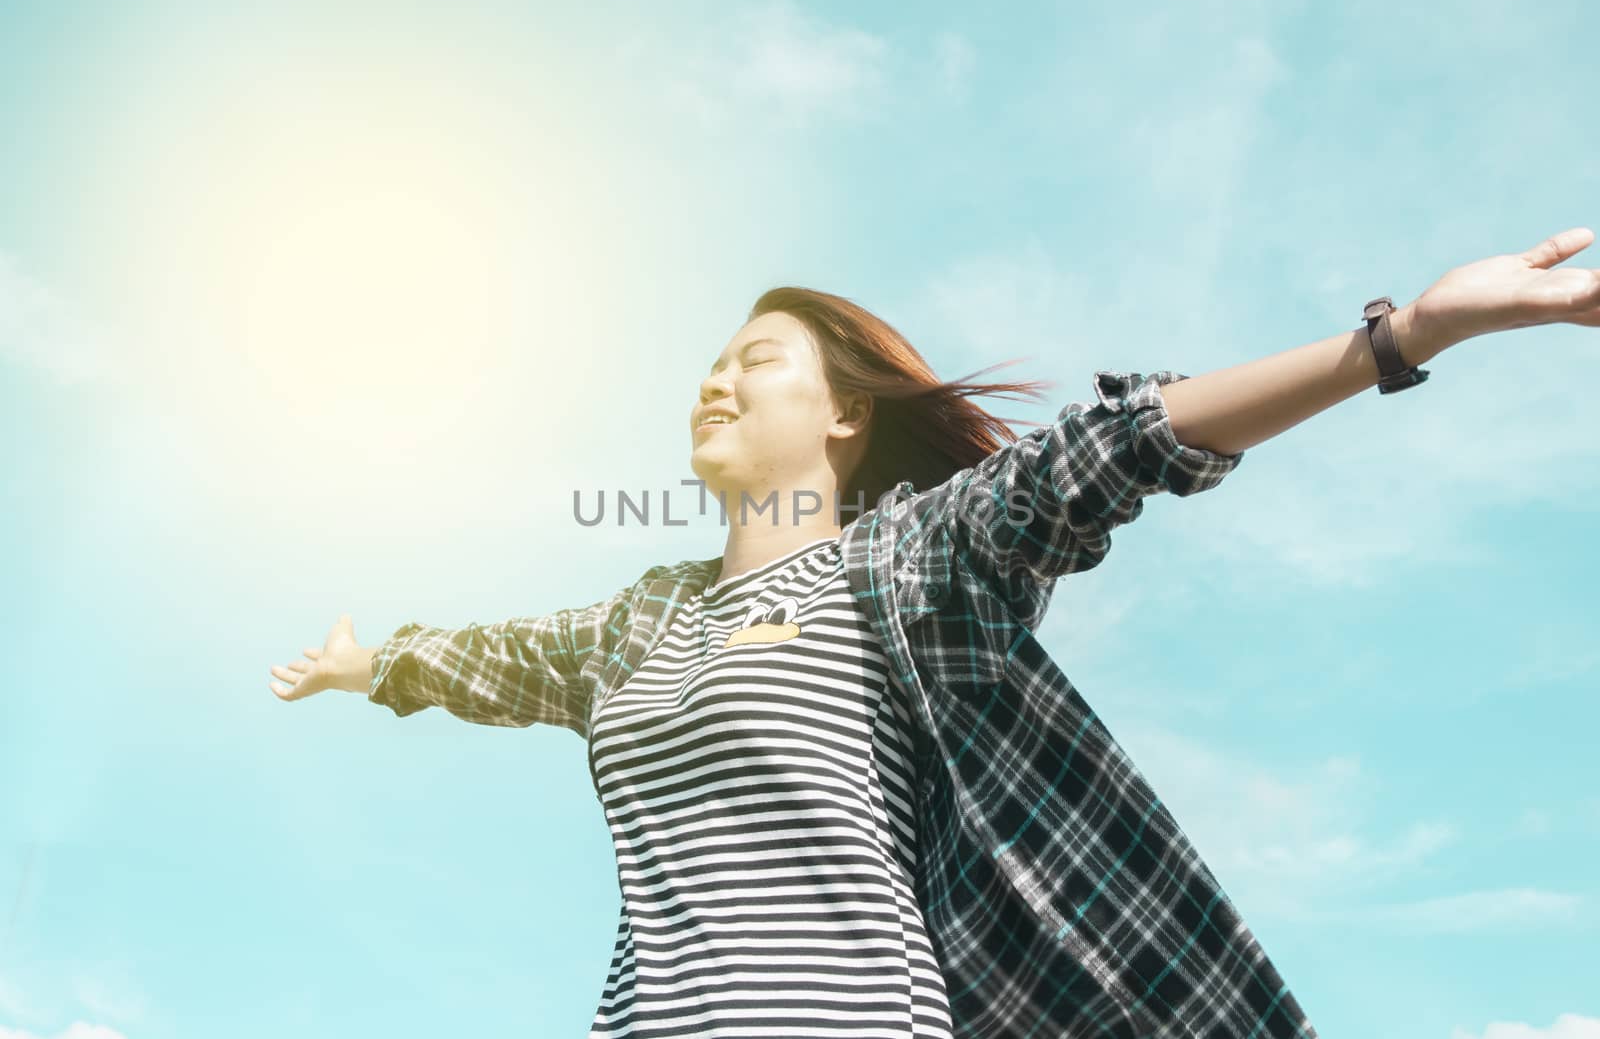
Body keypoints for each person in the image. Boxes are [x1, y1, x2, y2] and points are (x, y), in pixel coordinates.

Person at [269, 227, 1600, 1038]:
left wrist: (1405, 333)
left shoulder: (905, 566)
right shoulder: (636, 626)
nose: (717, 377)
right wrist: (370, 664)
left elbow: (1114, 447)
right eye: (712, 363)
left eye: (758, 360)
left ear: (844, 419)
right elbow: (483, 661)